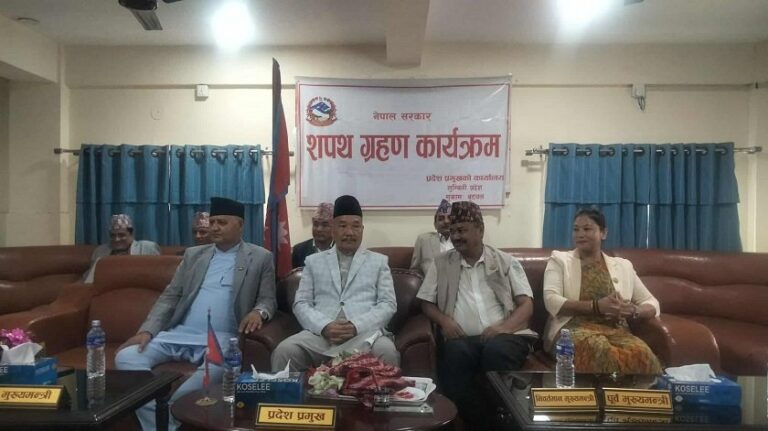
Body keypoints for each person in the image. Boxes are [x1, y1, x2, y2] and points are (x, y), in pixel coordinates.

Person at [114, 197, 276, 431]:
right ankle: (163, 423)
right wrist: (147, 331)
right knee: (126, 357)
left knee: (224, 363)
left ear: (240, 225)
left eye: (222, 222)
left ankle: (170, 411)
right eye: (212, 222)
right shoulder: (193, 255)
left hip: (221, 339)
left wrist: (258, 312)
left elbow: (268, 299)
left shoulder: (260, 257)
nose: (214, 227)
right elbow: (170, 296)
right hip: (179, 334)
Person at [416, 201, 536, 430]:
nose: (456, 236)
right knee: (454, 354)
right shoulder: (441, 263)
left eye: (462, 230)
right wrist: (444, 321)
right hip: (461, 339)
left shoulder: (505, 261)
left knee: (496, 351)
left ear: (480, 230)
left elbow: (526, 305)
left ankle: (499, 422)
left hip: (506, 336)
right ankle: (487, 424)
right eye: (453, 231)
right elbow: (426, 303)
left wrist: (504, 328)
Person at [271, 195, 398, 371]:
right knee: (285, 351)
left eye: (355, 226)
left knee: (387, 351)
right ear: (333, 229)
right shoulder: (313, 261)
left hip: (365, 335)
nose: (349, 232)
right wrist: (324, 326)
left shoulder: (379, 262)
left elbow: (388, 304)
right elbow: (301, 303)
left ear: (362, 229)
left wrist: (356, 326)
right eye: (342, 226)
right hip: (321, 337)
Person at [542, 207, 663, 374]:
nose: (580, 234)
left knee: (642, 354)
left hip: (616, 330)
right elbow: (551, 300)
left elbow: (652, 303)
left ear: (603, 233)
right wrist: (596, 306)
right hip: (571, 329)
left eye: (587, 229)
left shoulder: (623, 266)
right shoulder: (559, 260)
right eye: (576, 229)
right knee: (600, 350)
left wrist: (633, 311)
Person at [82, 213, 160, 283]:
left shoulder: (146, 248)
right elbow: (89, 280)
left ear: (132, 234)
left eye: (121, 235)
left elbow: (157, 276)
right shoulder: (100, 251)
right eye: (113, 235)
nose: (116, 239)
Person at [410, 199, 453, 274]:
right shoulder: (424, 240)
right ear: (435, 224)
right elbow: (414, 271)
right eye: (441, 219)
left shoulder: (465, 241)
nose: (446, 221)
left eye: (450, 218)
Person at [292, 202, 334, 268]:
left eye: (324, 225)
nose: (319, 229)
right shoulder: (299, 250)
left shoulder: (342, 249)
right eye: (316, 224)